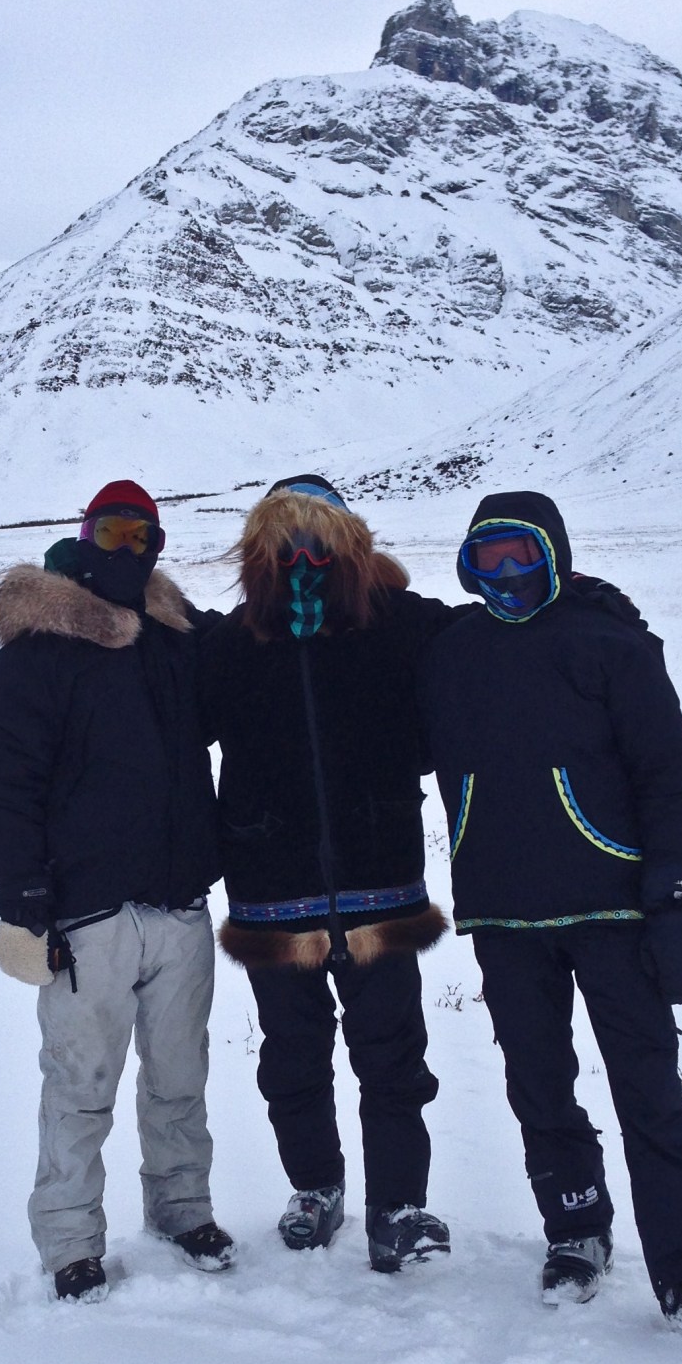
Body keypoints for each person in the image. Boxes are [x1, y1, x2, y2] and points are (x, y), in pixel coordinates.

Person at [419, 489, 682, 1331]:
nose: (507, 573)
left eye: (522, 554)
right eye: (489, 557)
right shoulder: (450, 652)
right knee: (539, 1086)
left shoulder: (610, 642)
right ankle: (576, 1230)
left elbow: (666, 774)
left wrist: (673, 897)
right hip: (503, 916)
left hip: (613, 908)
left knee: (648, 1088)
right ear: (469, 566)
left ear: (555, 554)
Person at [0, 480, 235, 1301]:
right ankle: (69, 1239)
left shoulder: (176, 644)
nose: (127, 546)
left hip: (180, 902)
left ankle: (183, 1208)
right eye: (111, 530)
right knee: (79, 1086)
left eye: (142, 535)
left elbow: (256, 667)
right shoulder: (36, 655)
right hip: (86, 916)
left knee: (179, 1077)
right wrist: (21, 892)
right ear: (84, 538)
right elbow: (7, 780)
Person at [199, 476, 454, 1272]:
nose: (301, 560)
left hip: (382, 887)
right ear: (258, 557)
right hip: (272, 892)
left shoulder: (400, 629)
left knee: (393, 1056)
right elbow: (150, 696)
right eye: (284, 546)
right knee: (292, 1055)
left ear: (350, 550)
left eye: (319, 544)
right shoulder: (230, 645)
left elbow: (497, 648)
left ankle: (400, 1206)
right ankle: (316, 1186)